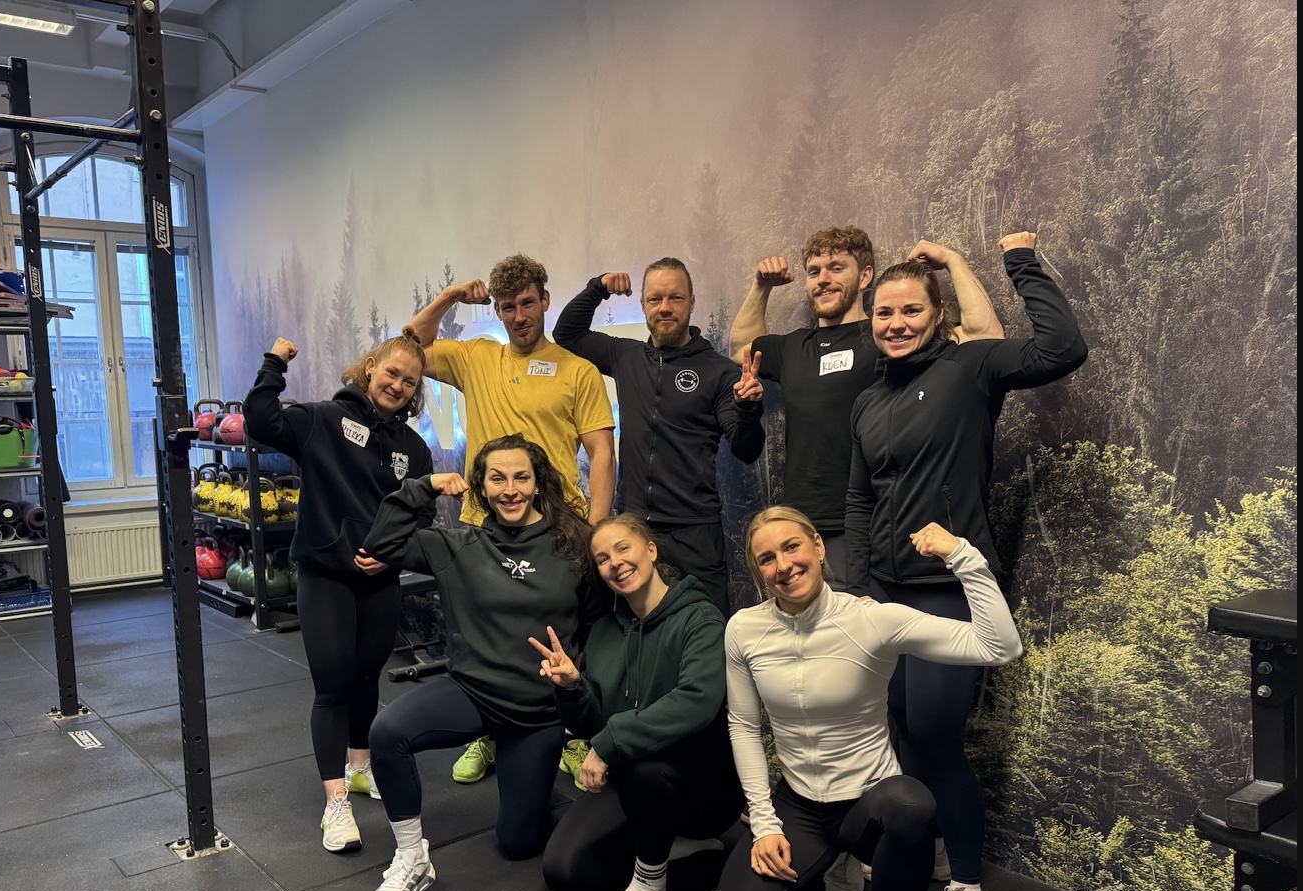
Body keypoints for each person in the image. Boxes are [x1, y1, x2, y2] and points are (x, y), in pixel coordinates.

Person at [842, 230, 1089, 891]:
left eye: (910, 310)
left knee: (936, 736)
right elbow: (859, 499)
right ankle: (925, 850)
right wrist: (854, 590)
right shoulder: (867, 401)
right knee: (898, 729)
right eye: (884, 313)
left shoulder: (970, 367)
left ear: (938, 314)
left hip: (947, 592)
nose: (895, 323)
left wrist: (1017, 262)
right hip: (882, 595)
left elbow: (1062, 348)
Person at [712, 506, 1023, 891]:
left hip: (871, 805)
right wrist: (763, 822)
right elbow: (742, 724)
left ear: (818, 546)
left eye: (792, 547)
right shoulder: (744, 629)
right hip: (800, 806)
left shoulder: (872, 619)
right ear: (757, 570)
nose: (783, 565)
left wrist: (961, 556)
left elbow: (1000, 646)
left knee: (912, 805)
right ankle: (841, 874)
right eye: (766, 558)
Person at [359, 432, 608, 891]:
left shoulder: (573, 545)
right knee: (387, 732)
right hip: (472, 693)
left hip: (538, 713)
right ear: (480, 486)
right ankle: (411, 859)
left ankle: (547, 797)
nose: (510, 489)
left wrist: (582, 690)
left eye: (521, 478)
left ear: (537, 483)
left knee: (516, 843)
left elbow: (598, 624)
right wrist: (425, 486)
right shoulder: (459, 545)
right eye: (497, 478)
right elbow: (381, 543)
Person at [406, 254, 617, 787]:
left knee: (572, 634)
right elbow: (408, 349)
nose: (519, 316)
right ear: (496, 311)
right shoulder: (477, 357)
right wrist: (450, 296)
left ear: (545, 300)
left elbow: (602, 452)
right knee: (487, 635)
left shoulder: (578, 371)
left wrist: (594, 529)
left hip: (560, 527)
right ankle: (488, 730)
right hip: (486, 526)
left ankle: (574, 732)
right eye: (507, 307)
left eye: (527, 303)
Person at [242, 334, 434, 855]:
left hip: (380, 579)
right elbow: (260, 420)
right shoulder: (323, 419)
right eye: (391, 373)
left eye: (409, 381)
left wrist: (393, 554)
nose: (398, 385)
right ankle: (335, 803)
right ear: (370, 368)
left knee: (367, 676)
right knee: (332, 686)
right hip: (326, 573)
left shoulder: (413, 449)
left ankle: (360, 767)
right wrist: (274, 362)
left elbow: (422, 516)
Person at [727, 228, 1004, 584]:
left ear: (865, 276)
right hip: (807, 527)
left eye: (837, 268)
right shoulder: (793, 348)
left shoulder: (892, 336)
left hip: (877, 523)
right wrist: (761, 286)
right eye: (814, 271)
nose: (823, 280)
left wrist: (953, 261)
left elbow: (983, 337)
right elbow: (742, 347)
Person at [530, 514, 742, 891]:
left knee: (649, 772)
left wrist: (610, 741)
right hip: (632, 781)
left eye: (623, 548)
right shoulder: (604, 632)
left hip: (701, 788)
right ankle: (669, 843)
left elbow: (697, 702)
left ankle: (650, 882)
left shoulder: (700, 618)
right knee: (566, 873)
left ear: (651, 549)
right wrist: (572, 688)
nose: (615, 563)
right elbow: (594, 721)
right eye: (603, 558)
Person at [552, 258, 767, 616]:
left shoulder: (719, 372)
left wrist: (747, 409)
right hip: (634, 530)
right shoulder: (626, 356)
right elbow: (567, 333)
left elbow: (747, 449)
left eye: (675, 298)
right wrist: (598, 288)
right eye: (655, 299)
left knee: (707, 629)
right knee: (637, 628)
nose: (665, 308)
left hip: (695, 533)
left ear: (692, 303)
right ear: (643, 306)